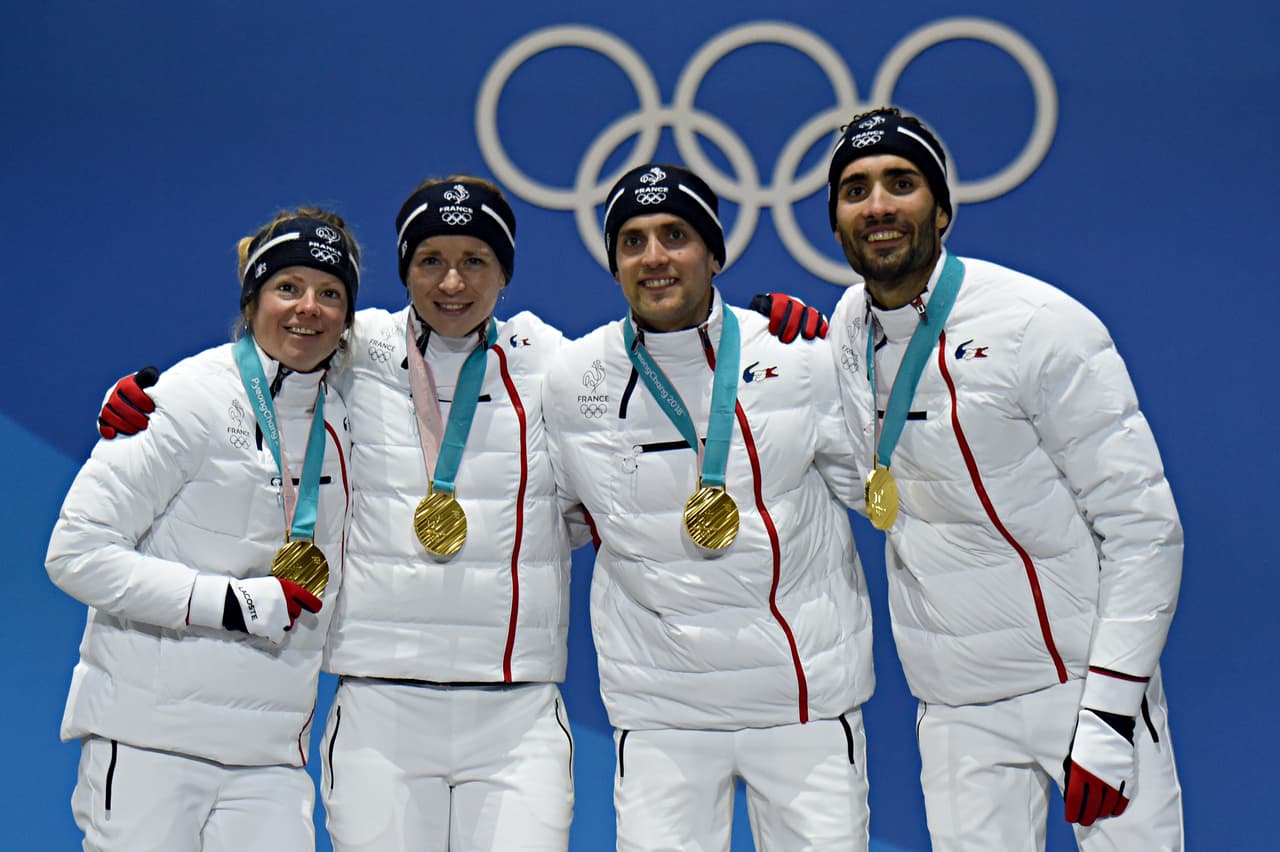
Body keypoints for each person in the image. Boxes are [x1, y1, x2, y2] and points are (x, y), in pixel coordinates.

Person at [97, 176, 580, 851]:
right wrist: (142, 404)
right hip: (381, 709)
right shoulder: (357, 349)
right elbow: (256, 364)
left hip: (517, 711)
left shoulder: (553, 363)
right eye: (430, 260)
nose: (451, 283)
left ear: (506, 272)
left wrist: (777, 338)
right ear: (405, 267)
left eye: (476, 260)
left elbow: (657, 385)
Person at [820, 106, 1184, 850]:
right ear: (837, 224)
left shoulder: (1038, 325)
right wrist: (783, 349)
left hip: (1082, 687)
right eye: (856, 190)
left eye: (902, 182)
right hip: (954, 709)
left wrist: (1112, 708)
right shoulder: (841, 334)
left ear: (944, 209)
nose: (879, 205)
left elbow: (1145, 528)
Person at [544, 163, 875, 852]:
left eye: (676, 235)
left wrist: (850, 353)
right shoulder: (575, 379)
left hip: (802, 708)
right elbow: (557, 519)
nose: (655, 257)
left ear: (715, 253)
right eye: (632, 241)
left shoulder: (796, 353)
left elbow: (878, 484)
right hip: (663, 714)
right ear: (613, 264)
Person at [47, 208, 358, 851]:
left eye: (330, 293)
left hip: (271, 758)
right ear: (252, 300)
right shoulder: (186, 398)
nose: (308, 308)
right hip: (149, 744)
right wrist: (233, 603)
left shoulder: (357, 411)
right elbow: (75, 553)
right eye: (287, 288)